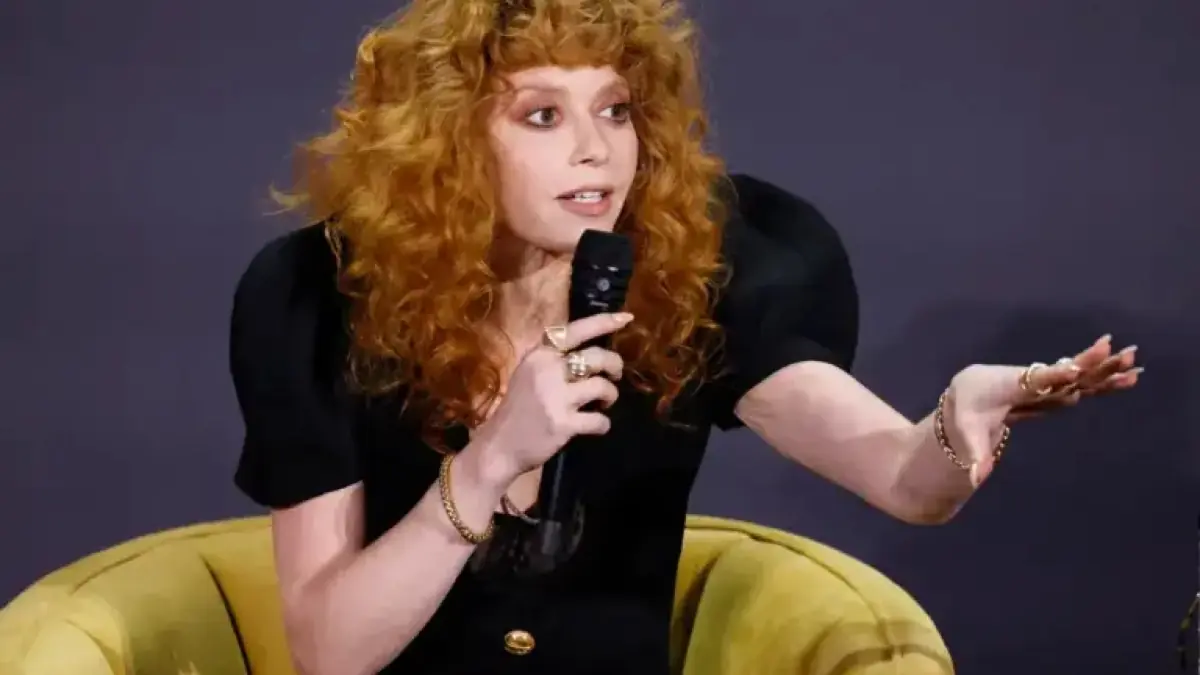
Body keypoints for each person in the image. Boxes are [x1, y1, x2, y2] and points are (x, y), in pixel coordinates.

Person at [228, 1, 1142, 674]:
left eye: (615, 108)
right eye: (543, 114)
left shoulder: (697, 267)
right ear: (446, 141)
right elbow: (330, 652)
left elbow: (906, 480)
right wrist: (489, 460)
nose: (597, 149)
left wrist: (957, 423)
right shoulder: (320, 296)